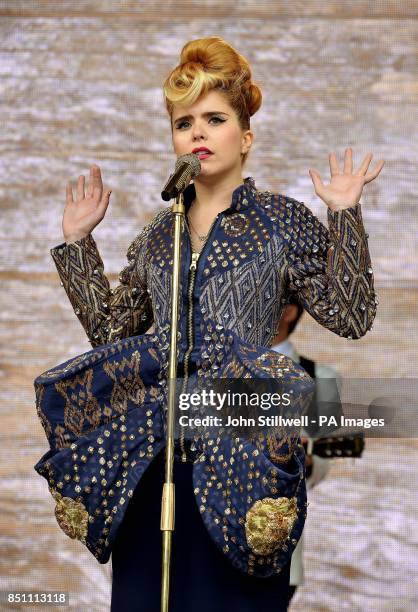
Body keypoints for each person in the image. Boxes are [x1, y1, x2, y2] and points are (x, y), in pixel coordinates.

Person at [33, 36, 383, 612]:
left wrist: (344, 212)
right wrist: (78, 246)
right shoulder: (155, 234)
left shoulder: (281, 222)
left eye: (214, 119)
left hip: (244, 466)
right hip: (152, 467)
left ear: (244, 137)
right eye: (184, 122)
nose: (197, 133)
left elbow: (351, 314)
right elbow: (114, 341)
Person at [270, 300, 342, 607]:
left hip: (276, 546)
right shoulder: (216, 370)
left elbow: (325, 457)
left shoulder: (320, 376)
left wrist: (304, 459)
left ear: (290, 311)